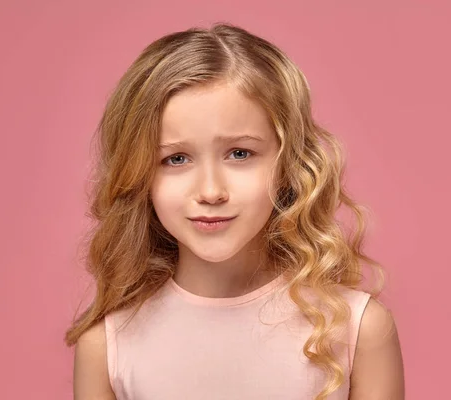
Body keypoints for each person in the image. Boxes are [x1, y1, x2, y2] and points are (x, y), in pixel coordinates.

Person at [65, 23, 405, 400]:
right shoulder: (107, 346)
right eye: (175, 159)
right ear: (138, 173)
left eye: (240, 153)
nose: (210, 191)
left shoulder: (358, 329)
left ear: (290, 161)